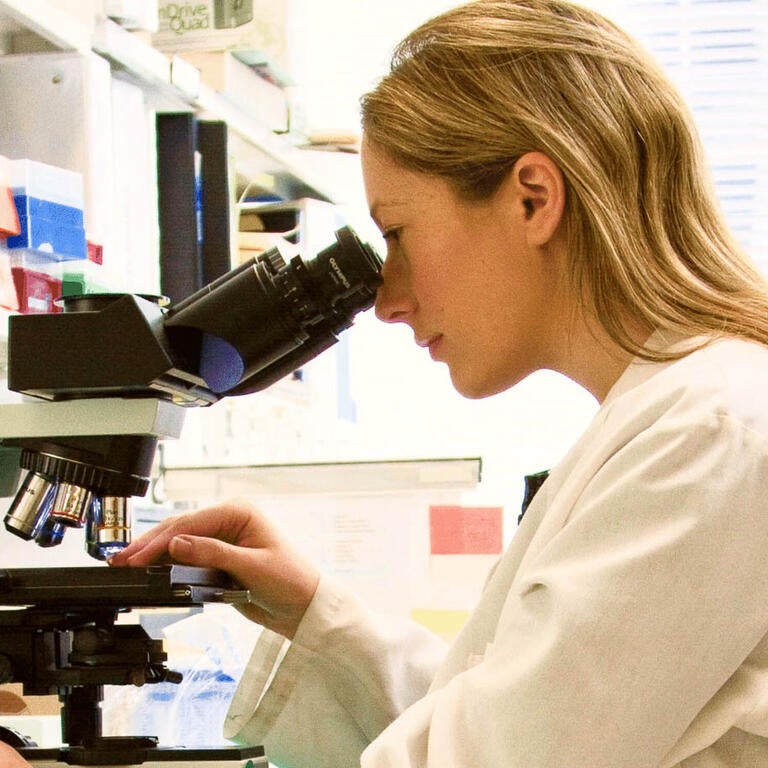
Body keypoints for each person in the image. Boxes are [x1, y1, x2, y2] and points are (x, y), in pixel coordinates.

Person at [108, 0, 768, 766]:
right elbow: (517, 717)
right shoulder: (682, 416)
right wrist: (319, 614)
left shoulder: (709, 433)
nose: (387, 300)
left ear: (533, 198)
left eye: (397, 234)